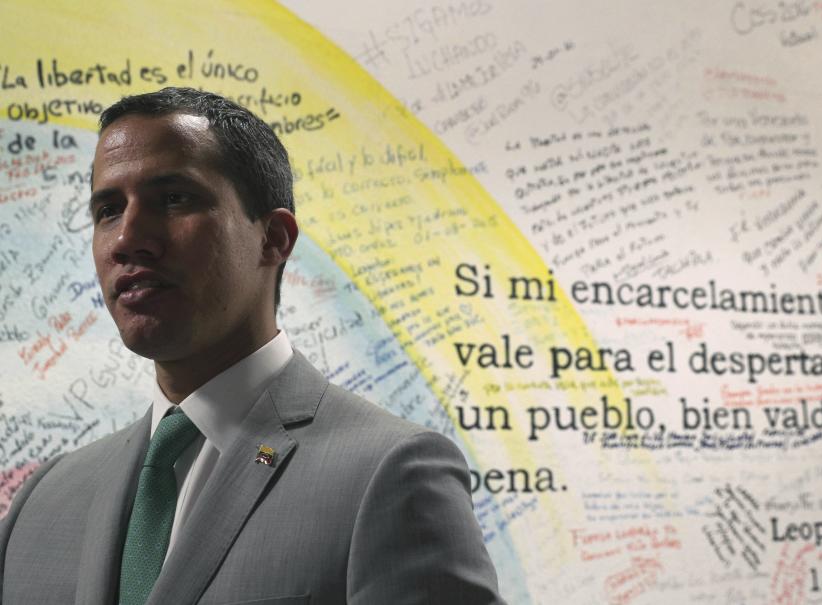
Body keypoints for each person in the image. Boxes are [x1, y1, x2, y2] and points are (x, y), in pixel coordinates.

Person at [0, 87, 504, 605]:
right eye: (108, 208)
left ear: (274, 239)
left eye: (174, 199)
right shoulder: (42, 504)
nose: (128, 238)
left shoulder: (392, 474)